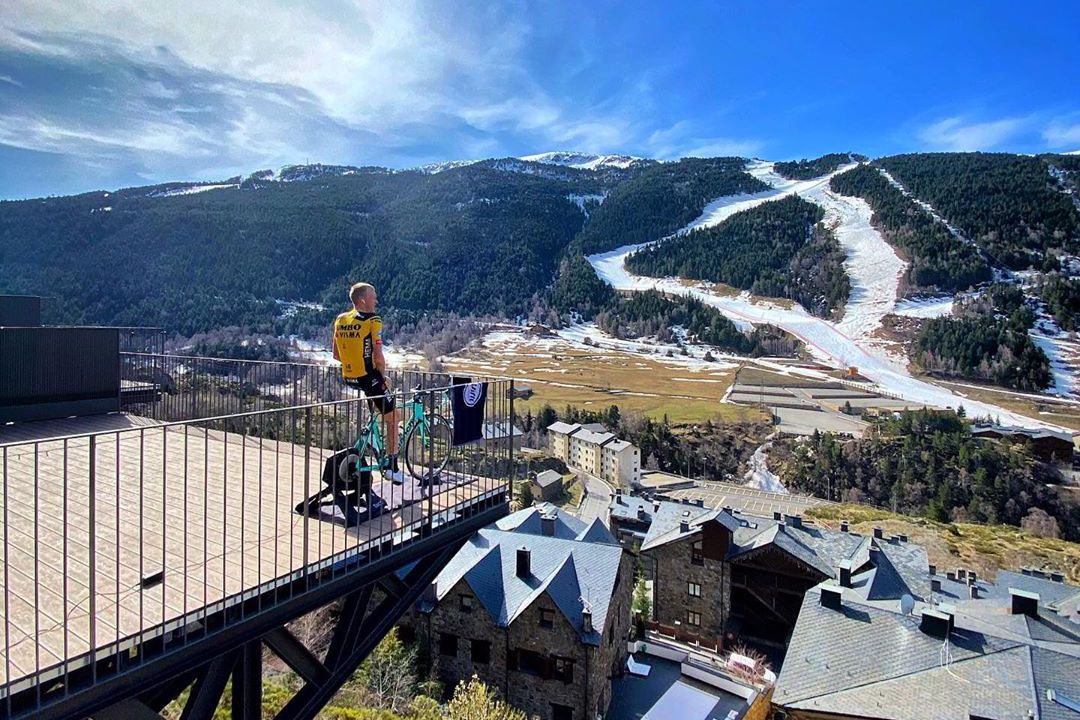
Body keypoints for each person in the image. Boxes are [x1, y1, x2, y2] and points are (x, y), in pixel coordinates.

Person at [332, 282, 402, 476]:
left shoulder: (340, 319)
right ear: (363, 300)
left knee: (383, 410)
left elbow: (336, 354)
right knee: (393, 417)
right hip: (367, 377)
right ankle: (392, 466)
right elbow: (378, 356)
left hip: (348, 376)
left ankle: (372, 439)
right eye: (373, 297)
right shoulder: (373, 320)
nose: (376, 300)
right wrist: (381, 377)